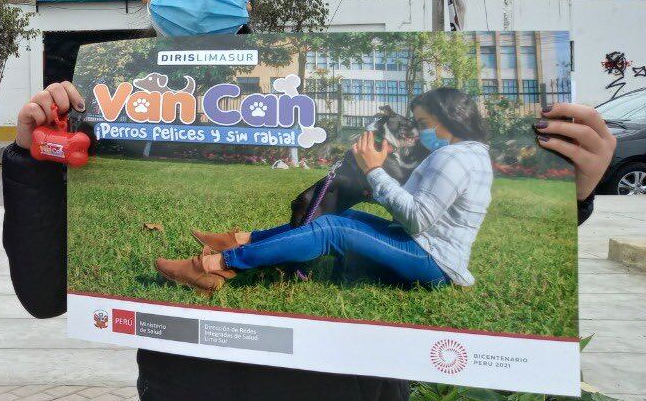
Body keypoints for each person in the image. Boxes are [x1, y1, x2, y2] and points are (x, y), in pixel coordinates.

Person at [1, 0, 616, 401]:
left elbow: (440, 219)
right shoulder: (99, 110)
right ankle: (230, 257)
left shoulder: (293, 82)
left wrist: (571, 192)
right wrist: (32, 157)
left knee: (334, 206)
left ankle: (229, 255)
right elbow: (42, 295)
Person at [156, 87, 493, 293]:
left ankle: (215, 266)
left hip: (432, 261)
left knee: (332, 228)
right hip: (427, 247)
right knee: (342, 216)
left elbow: (418, 219)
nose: (419, 133)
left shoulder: (454, 159)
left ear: (448, 119)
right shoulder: (467, 154)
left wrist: (372, 169)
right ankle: (245, 239)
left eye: (423, 124)